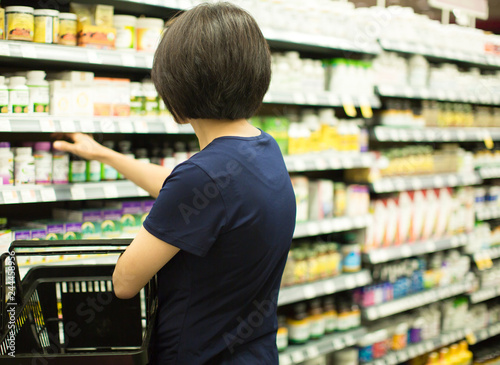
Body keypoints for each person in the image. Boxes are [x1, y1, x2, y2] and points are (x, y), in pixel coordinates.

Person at [53, 2, 296, 364]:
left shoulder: (202, 175)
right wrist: (104, 155)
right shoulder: (262, 148)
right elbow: (198, 195)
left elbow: (125, 281)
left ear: (178, 84)